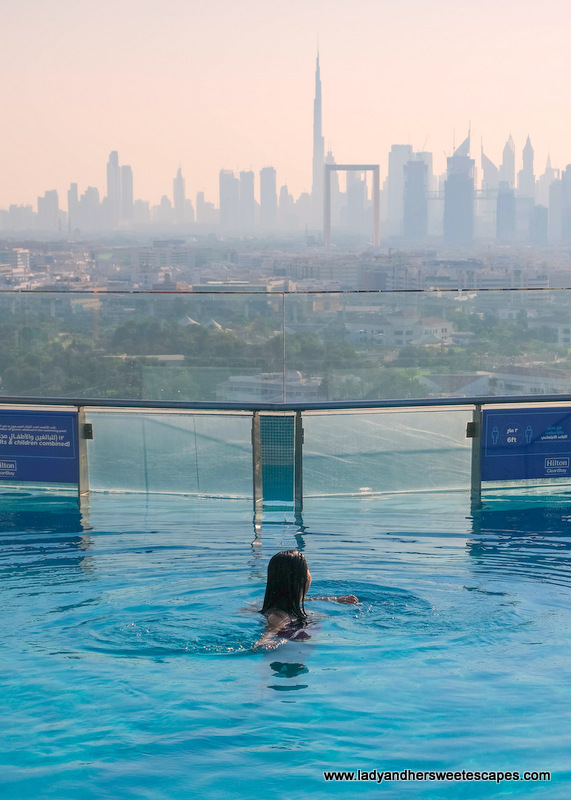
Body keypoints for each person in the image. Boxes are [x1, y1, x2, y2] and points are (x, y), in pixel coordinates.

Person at [255, 549, 358, 648]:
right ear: (302, 579)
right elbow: (272, 629)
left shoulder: (282, 603)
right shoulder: (280, 615)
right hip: (290, 657)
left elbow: (310, 599)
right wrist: (266, 639)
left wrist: (336, 599)